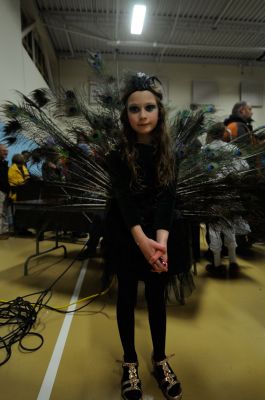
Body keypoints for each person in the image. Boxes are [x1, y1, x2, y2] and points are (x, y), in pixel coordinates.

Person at [103, 73, 183, 400]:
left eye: (149, 107)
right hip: (127, 232)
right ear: (126, 114)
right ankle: (130, 362)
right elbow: (124, 201)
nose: (142, 115)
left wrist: (160, 243)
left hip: (158, 235)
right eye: (134, 109)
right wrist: (143, 242)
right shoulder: (118, 155)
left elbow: (168, 198)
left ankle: (159, 358)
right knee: (125, 298)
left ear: (159, 111)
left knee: (156, 299)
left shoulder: (170, 154)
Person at [202, 122, 250, 276]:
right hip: (230, 193)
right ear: (223, 133)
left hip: (213, 194)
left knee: (215, 228)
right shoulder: (232, 148)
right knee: (229, 226)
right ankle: (233, 262)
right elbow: (245, 166)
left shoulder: (205, 150)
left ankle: (217, 264)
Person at [0, 144, 10, 239]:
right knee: (0, 212)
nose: (6, 152)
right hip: (1, 191)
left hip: (5, 191)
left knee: (4, 211)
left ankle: (5, 231)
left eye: (6, 150)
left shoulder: (4, 163)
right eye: (4, 150)